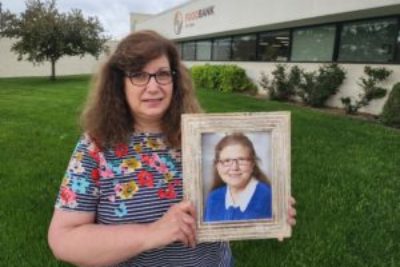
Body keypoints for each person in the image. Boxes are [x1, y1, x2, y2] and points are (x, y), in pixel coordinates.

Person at [48, 30, 296, 267]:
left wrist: (267, 210)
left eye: (162, 74)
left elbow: (228, 202)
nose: (154, 87)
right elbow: (63, 240)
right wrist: (152, 233)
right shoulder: (96, 146)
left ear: (175, 79)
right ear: (118, 83)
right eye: (139, 75)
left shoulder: (203, 136)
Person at [204, 133, 272, 222]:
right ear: (217, 166)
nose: (234, 167)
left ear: (252, 164)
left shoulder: (269, 197)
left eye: (241, 160)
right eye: (227, 161)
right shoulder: (213, 198)